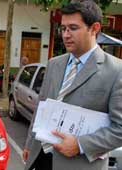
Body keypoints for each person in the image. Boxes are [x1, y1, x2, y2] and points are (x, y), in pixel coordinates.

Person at [22, 1, 122, 170]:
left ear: (94, 28)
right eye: (63, 28)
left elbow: (119, 128)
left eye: (73, 28)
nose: (66, 35)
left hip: (79, 163)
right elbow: (41, 107)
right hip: (41, 157)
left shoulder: (116, 70)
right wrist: (29, 143)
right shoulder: (54, 64)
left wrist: (80, 144)